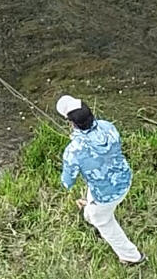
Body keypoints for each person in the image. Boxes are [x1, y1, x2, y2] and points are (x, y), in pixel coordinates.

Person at [54, 95, 144, 265]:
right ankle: (89, 211)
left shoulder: (73, 151)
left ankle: (132, 257)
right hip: (124, 177)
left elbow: (67, 183)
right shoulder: (108, 126)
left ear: (71, 123)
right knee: (93, 206)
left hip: (106, 194)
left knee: (104, 223)